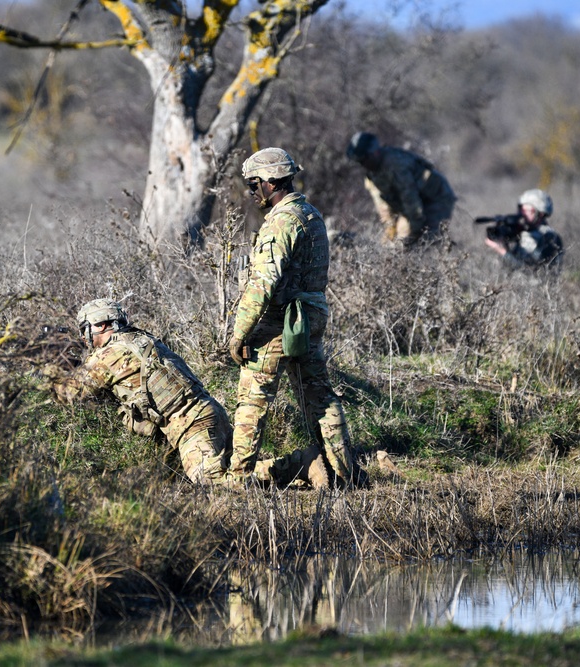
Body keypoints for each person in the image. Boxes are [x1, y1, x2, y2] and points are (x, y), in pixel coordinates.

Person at [227, 147, 366, 489]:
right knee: (320, 398)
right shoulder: (311, 214)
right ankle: (347, 475)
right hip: (310, 317)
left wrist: (239, 334)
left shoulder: (282, 221)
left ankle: (237, 479)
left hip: (280, 321)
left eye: (254, 183)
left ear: (271, 182)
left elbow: (262, 283)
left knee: (252, 400)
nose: (252, 192)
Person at [47, 299, 231, 484]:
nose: (83, 337)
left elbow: (67, 393)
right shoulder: (141, 339)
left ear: (100, 325)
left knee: (212, 481)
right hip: (210, 412)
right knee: (224, 471)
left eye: (84, 329)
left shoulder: (108, 355)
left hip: (192, 425)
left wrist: (50, 364)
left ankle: (259, 475)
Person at [346, 131, 457, 248]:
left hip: (436, 198)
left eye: (364, 159)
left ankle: (452, 255)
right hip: (413, 205)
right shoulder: (372, 175)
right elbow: (383, 206)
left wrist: (414, 231)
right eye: (360, 162)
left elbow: (410, 198)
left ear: (375, 153)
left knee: (427, 239)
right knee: (397, 242)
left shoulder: (395, 164)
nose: (363, 164)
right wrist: (390, 232)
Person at [482, 188, 564, 272]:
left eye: (528, 210)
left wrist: (503, 252)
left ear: (541, 213)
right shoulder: (524, 232)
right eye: (521, 210)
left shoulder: (549, 237)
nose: (523, 214)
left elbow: (532, 270)